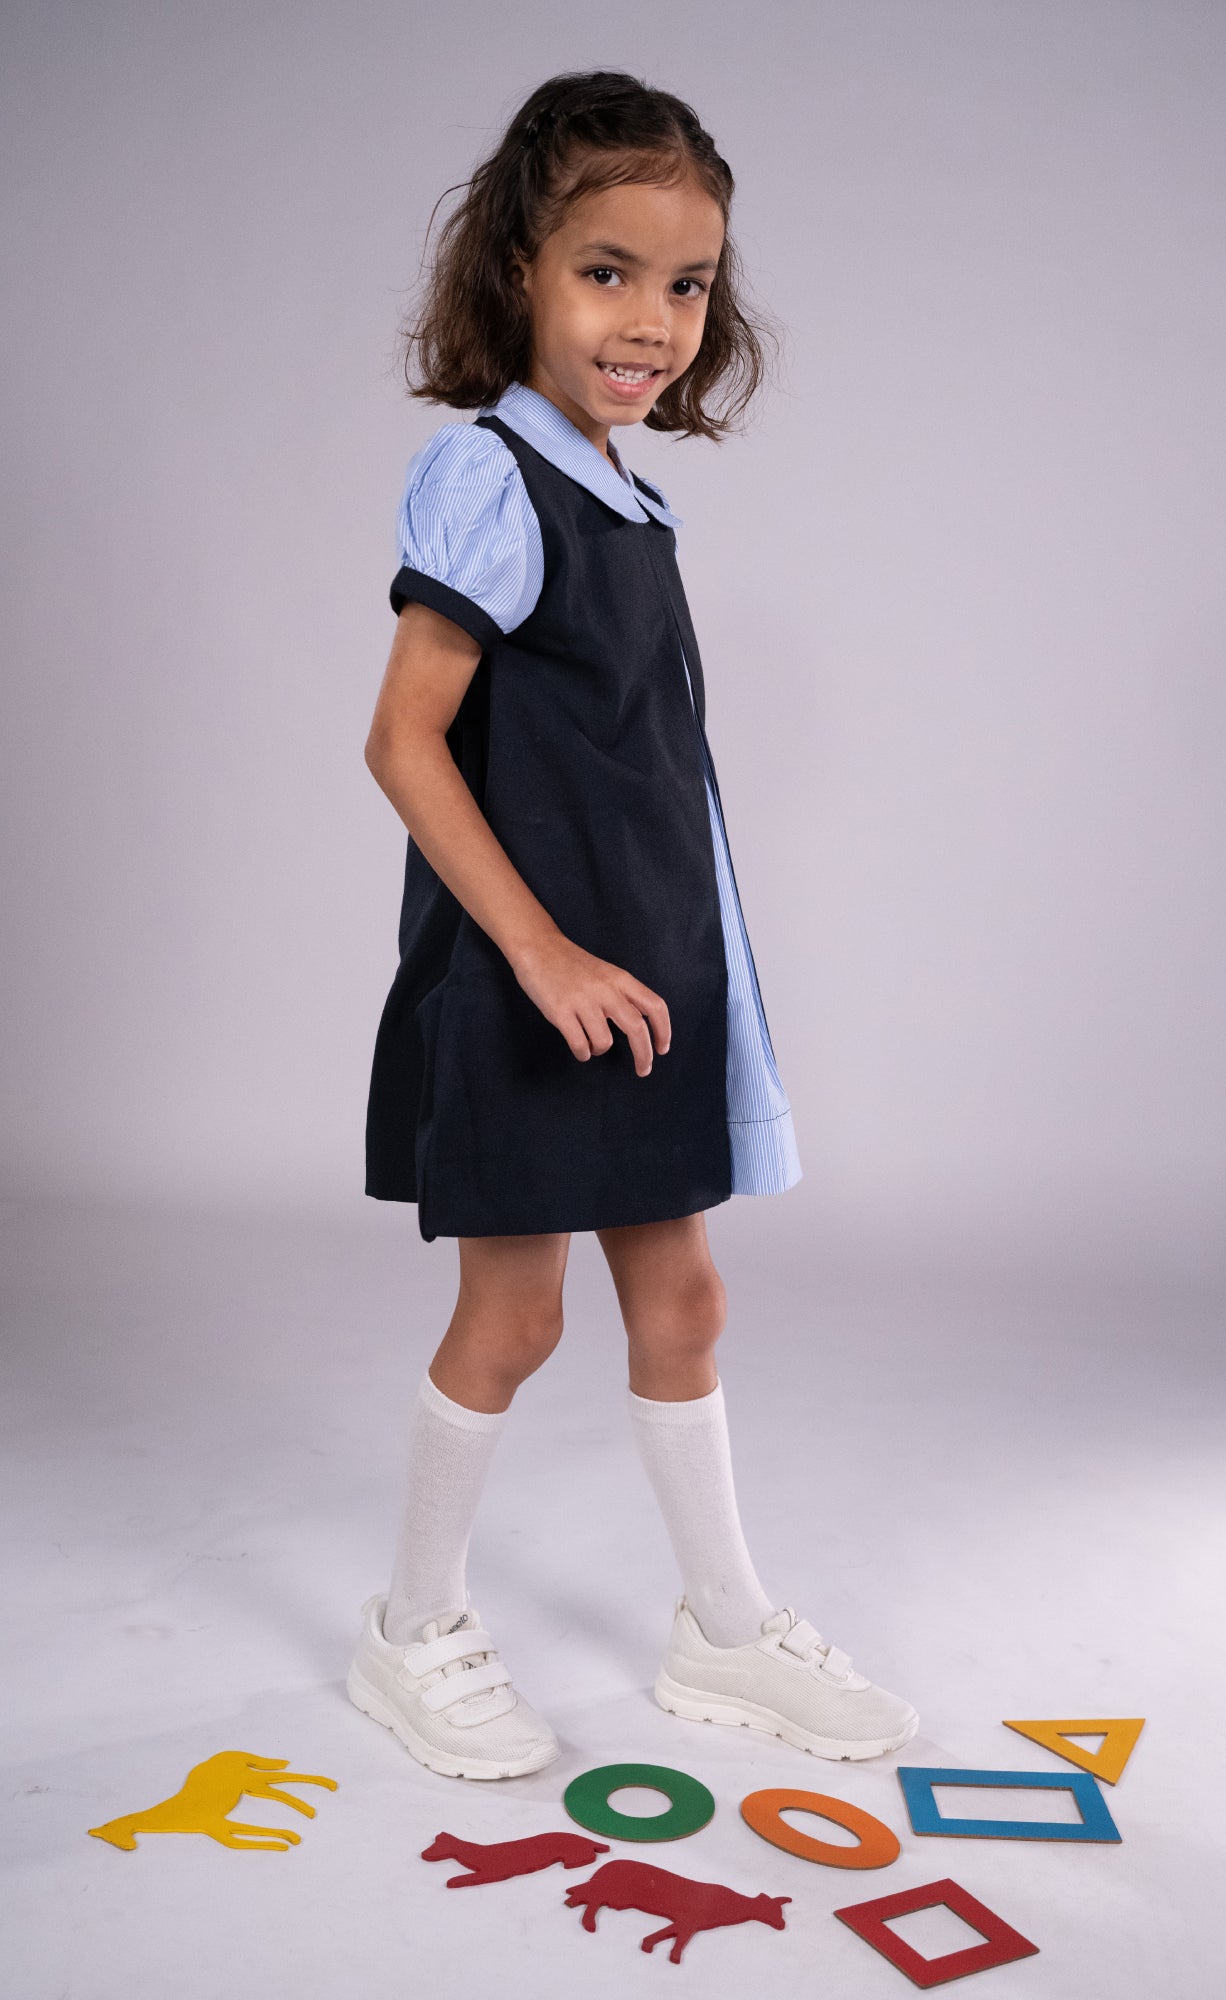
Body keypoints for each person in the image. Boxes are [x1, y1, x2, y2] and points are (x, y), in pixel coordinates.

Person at [349, 69, 917, 1781]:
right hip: (536, 983)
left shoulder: (622, 490)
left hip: (642, 990)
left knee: (685, 1307)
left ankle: (724, 1637)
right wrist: (537, 952)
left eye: (685, 284)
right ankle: (409, 1632)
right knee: (515, 1322)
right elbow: (401, 737)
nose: (653, 320)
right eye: (609, 272)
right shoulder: (487, 479)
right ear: (520, 268)